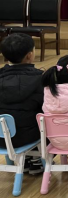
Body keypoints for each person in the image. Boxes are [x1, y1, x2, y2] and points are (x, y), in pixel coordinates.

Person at [0, 34, 44, 175]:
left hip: (1, 138)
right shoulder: (40, 78)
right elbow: (47, 108)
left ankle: (26, 159)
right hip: (28, 136)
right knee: (46, 118)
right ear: (30, 55)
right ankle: (35, 158)